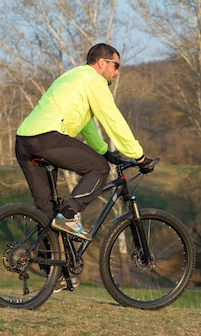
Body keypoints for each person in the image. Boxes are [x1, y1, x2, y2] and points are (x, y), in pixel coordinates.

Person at [15, 43, 154, 242]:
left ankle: (51, 269)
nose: (117, 72)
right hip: (48, 139)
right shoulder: (94, 80)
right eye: (116, 66)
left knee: (46, 212)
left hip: (23, 142)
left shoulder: (72, 76)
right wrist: (138, 156)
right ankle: (70, 215)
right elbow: (112, 118)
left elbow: (85, 122)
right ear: (102, 63)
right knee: (99, 168)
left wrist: (104, 150)